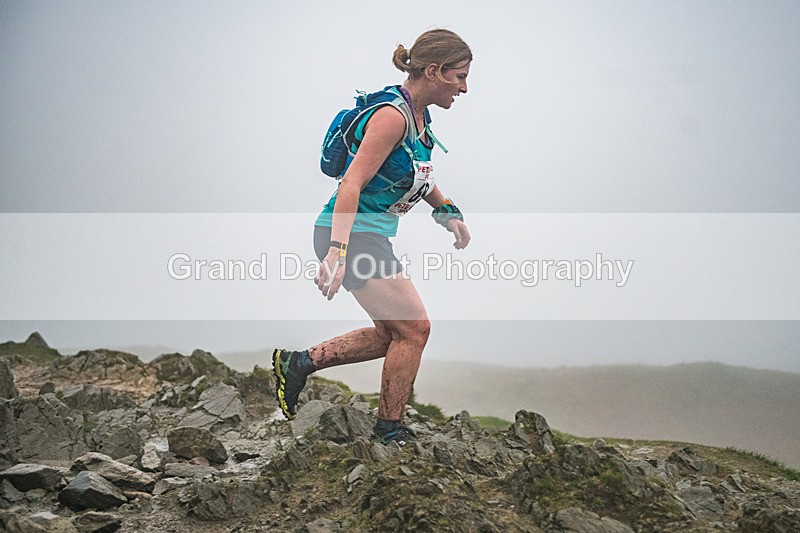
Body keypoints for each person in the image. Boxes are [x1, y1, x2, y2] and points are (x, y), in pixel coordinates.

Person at [273, 29, 472, 446]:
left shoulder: (419, 118)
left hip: (368, 236)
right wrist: (338, 250)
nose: (464, 87)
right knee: (415, 330)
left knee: (392, 333)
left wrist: (447, 211)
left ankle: (298, 364)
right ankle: (389, 430)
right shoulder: (392, 116)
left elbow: (419, 174)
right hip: (349, 234)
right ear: (433, 71)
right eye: (459, 76)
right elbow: (351, 183)